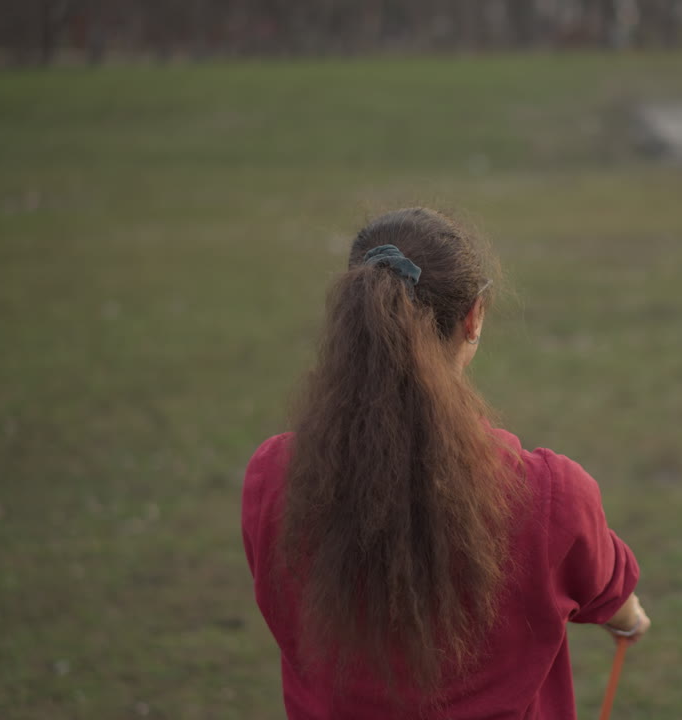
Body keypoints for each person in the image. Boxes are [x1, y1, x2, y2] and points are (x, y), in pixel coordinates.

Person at [241, 208, 650, 719]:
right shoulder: (551, 495)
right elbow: (606, 587)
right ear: (474, 317)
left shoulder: (272, 477)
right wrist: (629, 620)